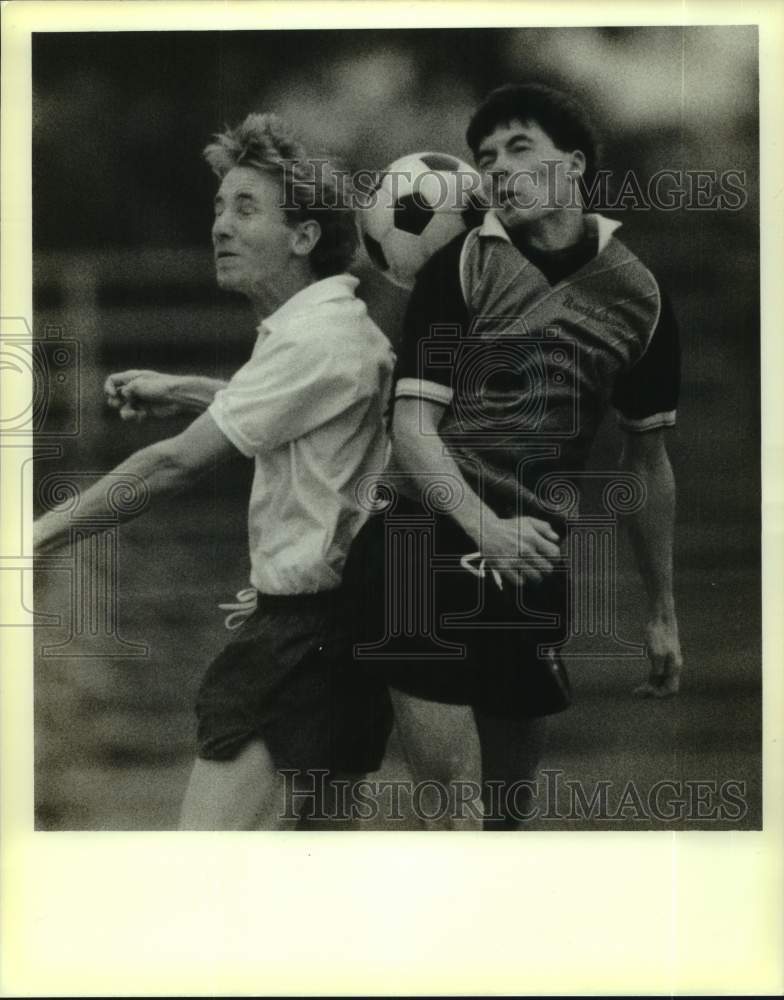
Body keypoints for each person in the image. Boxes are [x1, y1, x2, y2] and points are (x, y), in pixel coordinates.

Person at [34, 112, 395, 830]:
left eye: (246, 208)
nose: (220, 227)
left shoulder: (316, 341)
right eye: (218, 208)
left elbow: (171, 466)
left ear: (304, 237)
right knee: (310, 891)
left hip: (301, 644)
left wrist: (37, 532)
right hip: (333, 635)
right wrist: (187, 389)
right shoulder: (326, 332)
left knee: (209, 875)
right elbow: (299, 418)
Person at [346, 82, 683, 830]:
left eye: (518, 148)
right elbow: (411, 428)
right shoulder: (460, 268)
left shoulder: (639, 296)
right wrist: (482, 527)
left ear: (574, 163)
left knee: (506, 820)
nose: (497, 169)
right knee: (456, 820)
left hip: (530, 555)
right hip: (420, 541)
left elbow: (646, 460)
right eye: (485, 157)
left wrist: (661, 611)